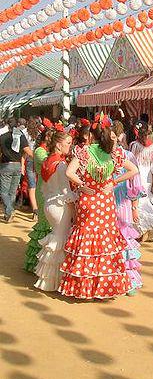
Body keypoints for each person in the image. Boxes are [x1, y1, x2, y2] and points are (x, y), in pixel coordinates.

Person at [59, 116, 138, 300]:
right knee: (105, 241)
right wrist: (113, 182)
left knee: (86, 239)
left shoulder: (84, 152)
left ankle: (84, 287)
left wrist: (81, 185)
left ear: (92, 136)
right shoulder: (115, 153)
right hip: (106, 200)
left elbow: (69, 172)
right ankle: (104, 287)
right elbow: (134, 170)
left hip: (88, 200)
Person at [34, 132, 76, 292]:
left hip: (49, 204)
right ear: (59, 144)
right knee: (59, 242)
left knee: (54, 241)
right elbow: (67, 192)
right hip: (60, 206)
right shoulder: (62, 165)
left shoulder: (46, 161)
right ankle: (57, 282)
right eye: (68, 143)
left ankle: (49, 281)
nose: (69, 145)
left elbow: (44, 188)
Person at [112, 125, 143, 294]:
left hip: (122, 201)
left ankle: (128, 280)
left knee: (124, 237)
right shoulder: (101, 156)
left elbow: (135, 182)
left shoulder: (127, 155)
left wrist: (135, 206)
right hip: (107, 202)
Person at [24, 126, 53, 273]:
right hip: (43, 190)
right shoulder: (40, 152)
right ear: (46, 138)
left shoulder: (45, 151)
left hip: (50, 189)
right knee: (44, 224)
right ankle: (35, 261)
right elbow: (50, 165)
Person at [0, 118, 32, 223]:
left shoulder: (2, 137)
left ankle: (9, 211)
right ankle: (8, 212)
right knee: (12, 191)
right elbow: (27, 151)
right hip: (18, 165)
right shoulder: (21, 136)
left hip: (6, 165)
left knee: (4, 191)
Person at [25, 118, 40, 218]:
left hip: (30, 160)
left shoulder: (25, 134)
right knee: (39, 184)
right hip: (39, 159)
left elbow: (24, 150)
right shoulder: (39, 133)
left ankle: (35, 209)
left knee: (32, 185)